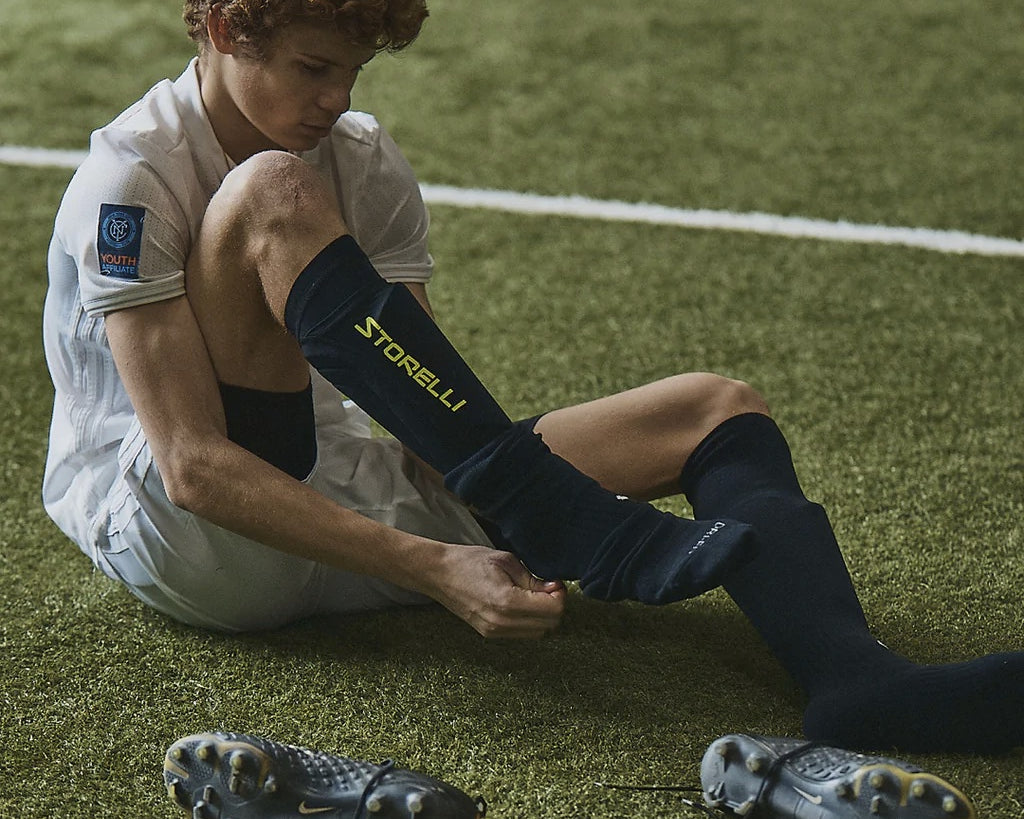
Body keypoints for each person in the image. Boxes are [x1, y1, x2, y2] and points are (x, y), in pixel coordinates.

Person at [42, 0, 1022, 760]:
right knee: (265, 194)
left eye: (353, 68)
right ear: (220, 28)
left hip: (327, 492)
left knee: (713, 409)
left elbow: (424, 404)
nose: (337, 96)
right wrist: (430, 565)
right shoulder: (132, 177)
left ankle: (856, 680)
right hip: (191, 538)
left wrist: (450, 508)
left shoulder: (359, 160)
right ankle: (545, 505)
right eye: (313, 66)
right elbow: (193, 470)